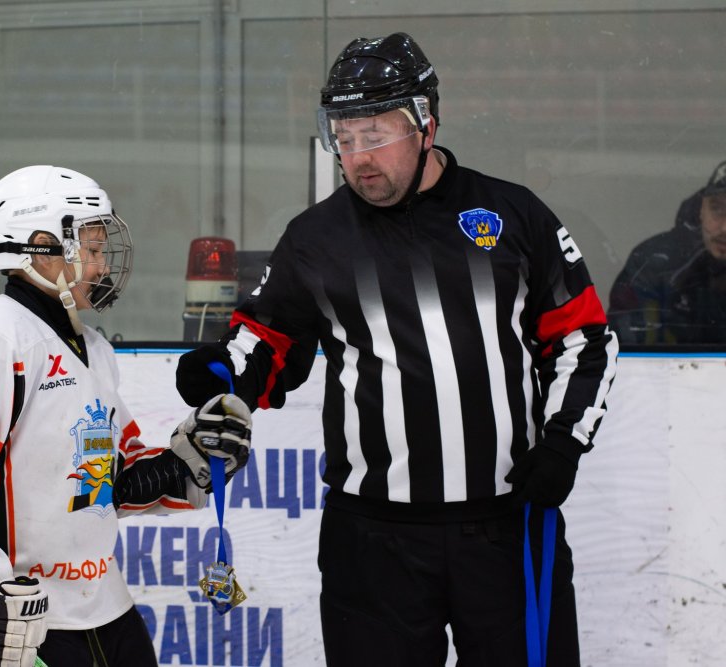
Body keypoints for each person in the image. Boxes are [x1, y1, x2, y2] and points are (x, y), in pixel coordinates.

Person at [176, 33, 618, 666]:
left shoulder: (513, 214)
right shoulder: (315, 238)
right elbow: (267, 341)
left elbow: (582, 338)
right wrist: (222, 369)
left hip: (506, 526)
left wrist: (563, 443)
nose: (358, 157)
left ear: (425, 123)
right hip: (371, 540)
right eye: (344, 137)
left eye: (375, 135)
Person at [0, 165, 252, 667]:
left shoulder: (91, 348)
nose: (102, 266)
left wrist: (190, 463)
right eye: (91, 249)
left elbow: (109, 478)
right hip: (24, 615)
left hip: (102, 603)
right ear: (42, 247)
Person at [609, 159, 726, 344]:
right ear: (702, 209)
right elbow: (624, 347)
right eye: (717, 209)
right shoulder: (656, 264)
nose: (724, 228)